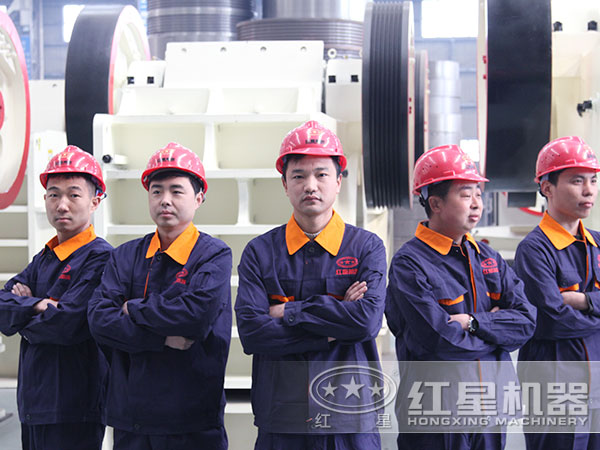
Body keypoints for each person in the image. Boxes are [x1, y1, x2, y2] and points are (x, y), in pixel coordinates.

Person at [235, 120, 387, 449]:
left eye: (321, 174)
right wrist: (335, 322)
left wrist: (288, 311)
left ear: (338, 180)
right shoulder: (260, 252)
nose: (310, 186)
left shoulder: (366, 247)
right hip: (282, 417)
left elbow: (366, 322)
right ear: (285, 184)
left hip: (350, 417)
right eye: (298, 176)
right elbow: (252, 332)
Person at [386, 145, 536, 450]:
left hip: (492, 409)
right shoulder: (409, 264)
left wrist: (472, 323)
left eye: (478, 193)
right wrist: (496, 332)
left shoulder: (488, 257)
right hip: (437, 413)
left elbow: (526, 323)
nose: (477, 203)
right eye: (466, 194)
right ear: (436, 203)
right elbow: (438, 339)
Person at [88, 142, 232, 450]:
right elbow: (99, 320)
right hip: (132, 419)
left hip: (192, 420)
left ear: (199, 198)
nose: (165, 200)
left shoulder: (213, 255)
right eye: (156, 191)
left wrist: (132, 308)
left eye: (176, 191)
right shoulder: (125, 256)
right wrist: (162, 338)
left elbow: (194, 318)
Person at [0, 146, 112, 450]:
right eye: (53, 194)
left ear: (95, 201)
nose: (62, 204)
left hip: (74, 406)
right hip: (34, 402)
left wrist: (21, 313)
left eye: (74, 195)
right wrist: (38, 304)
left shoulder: (101, 258)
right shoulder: (45, 257)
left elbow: (67, 324)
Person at [514, 136, 600, 449]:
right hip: (554, 385)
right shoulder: (534, 250)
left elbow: (564, 311)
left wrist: (583, 301)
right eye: (577, 181)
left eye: (593, 180)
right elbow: (552, 319)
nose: (589, 190)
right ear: (547, 187)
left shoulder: (598, 244)